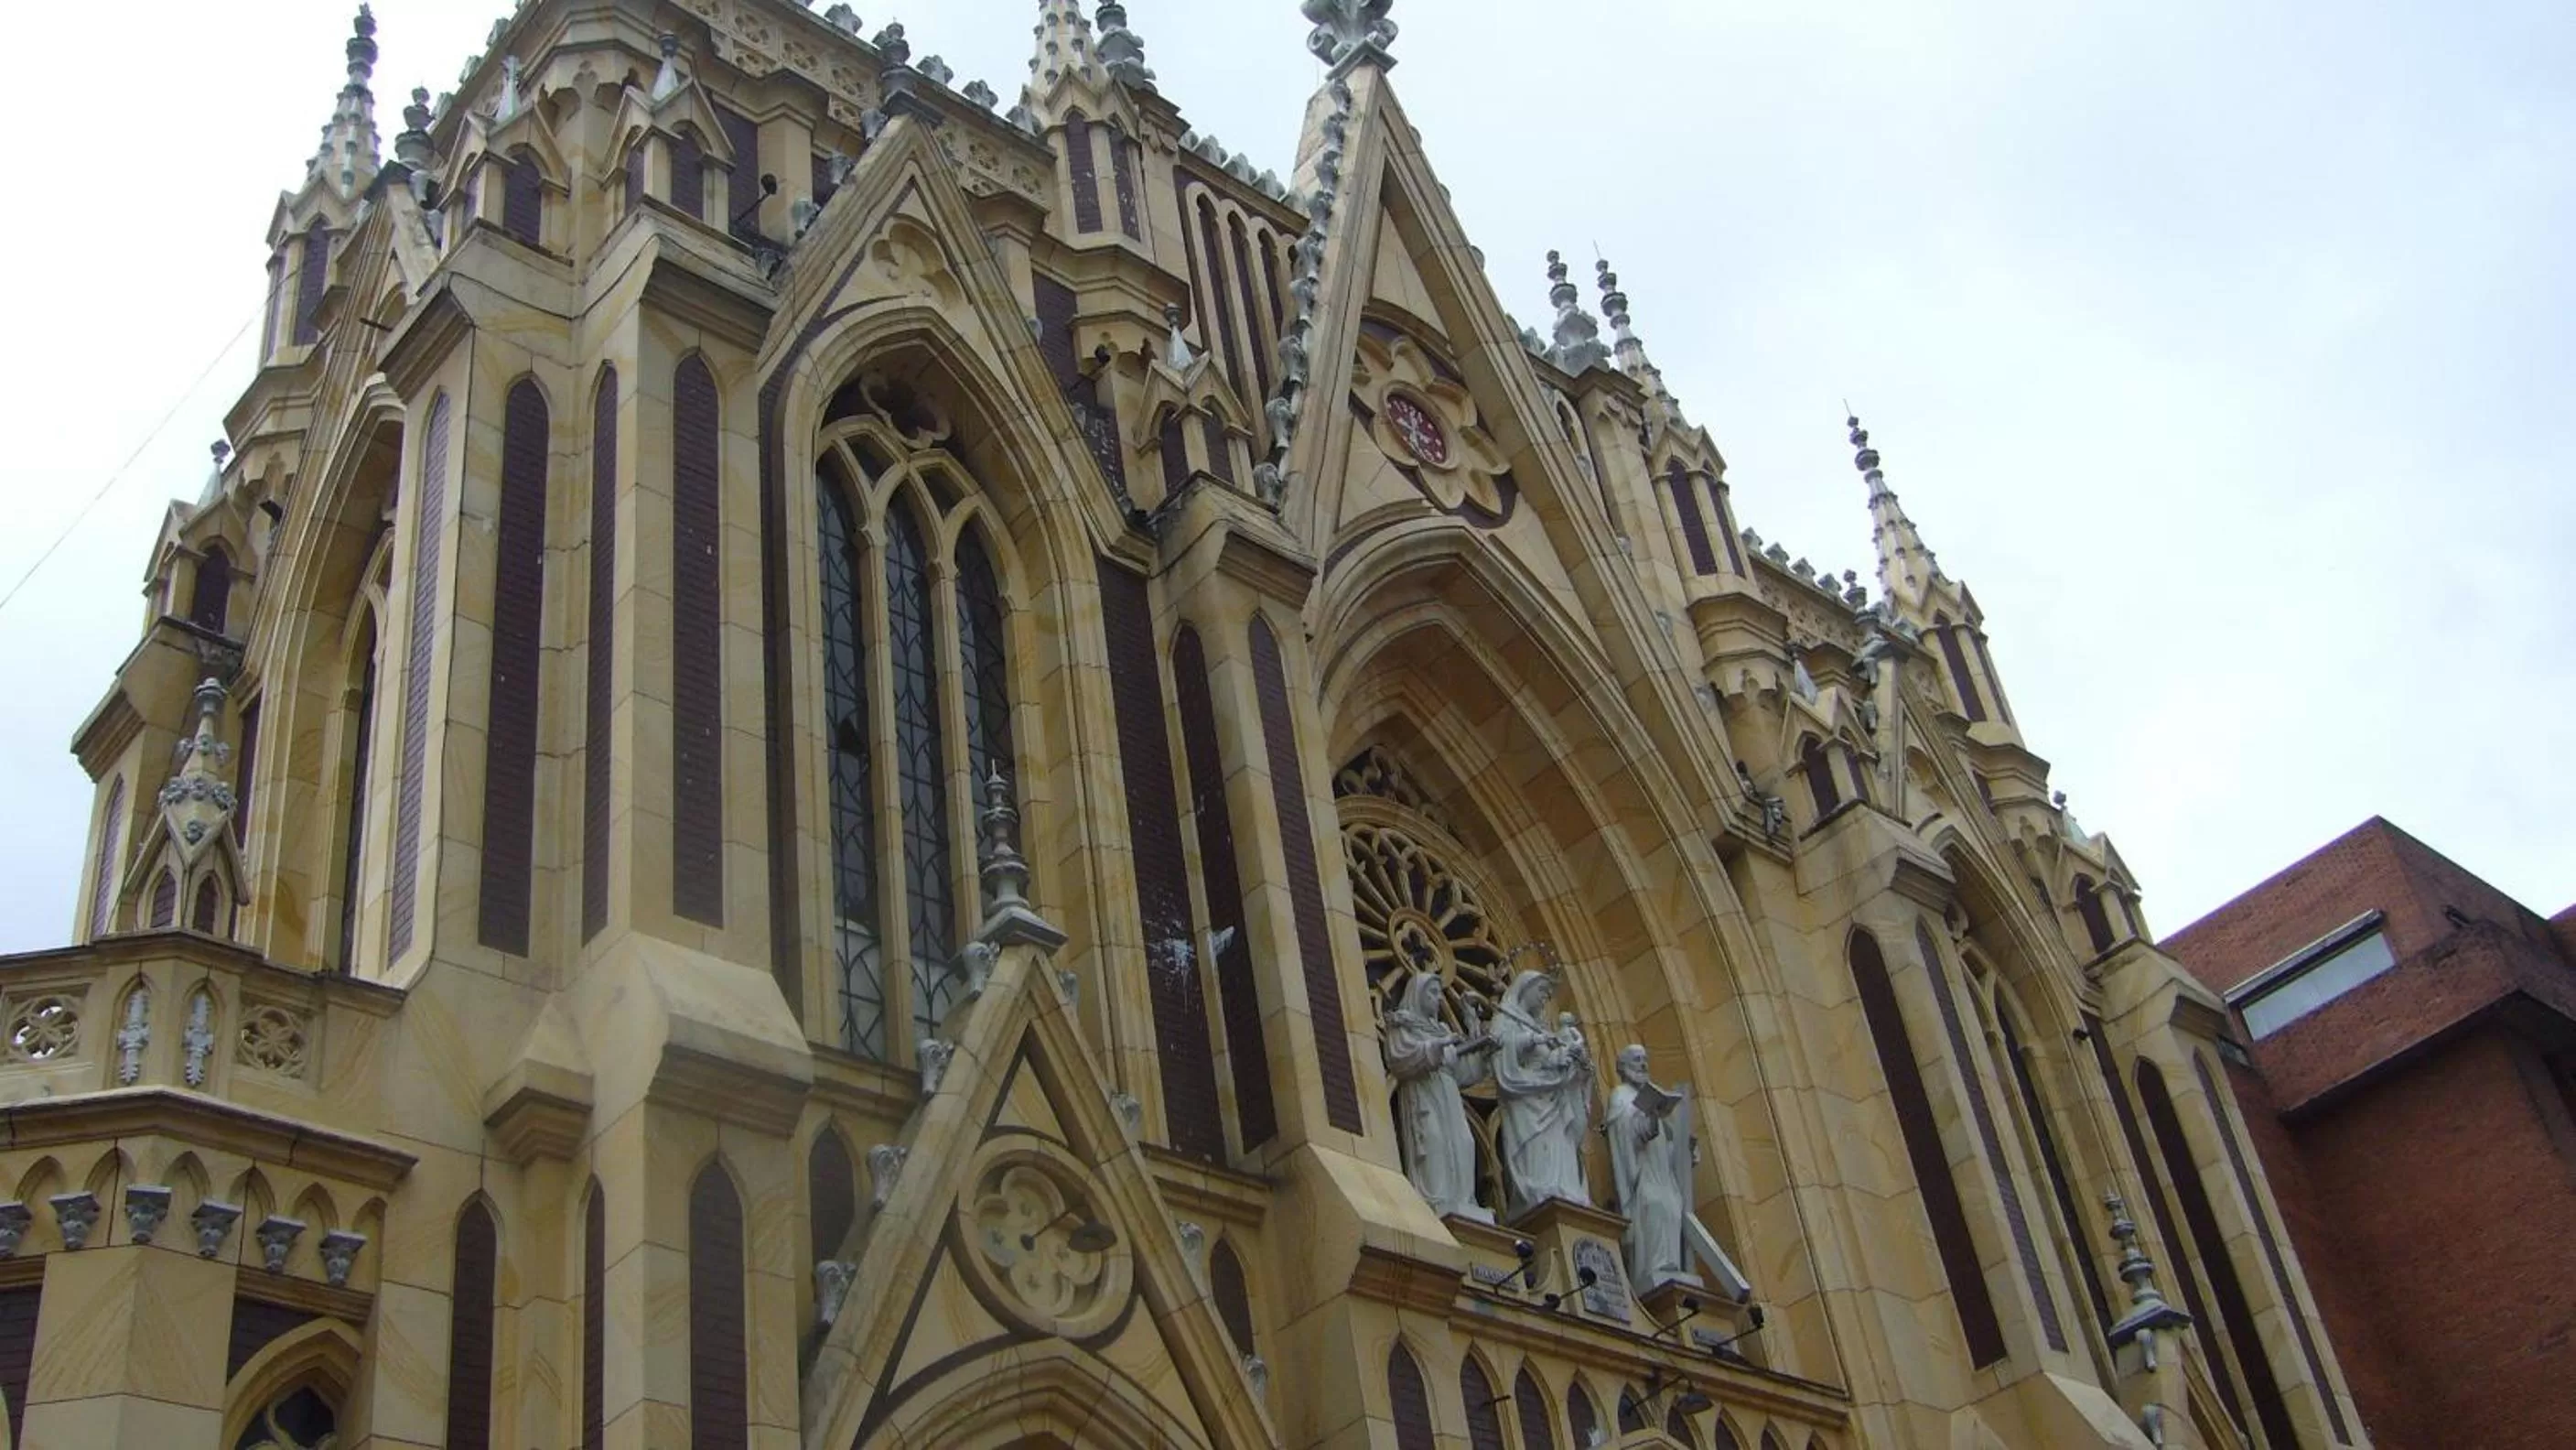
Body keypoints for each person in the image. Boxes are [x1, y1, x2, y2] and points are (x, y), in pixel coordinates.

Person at [1381, 971, 1492, 1220]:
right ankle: (1436, 1200)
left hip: (1449, 1095)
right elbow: (1399, 1058)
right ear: (1417, 994)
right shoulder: (1403, 1023)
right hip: (1425, 1096)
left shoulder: (1442, 1029)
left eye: (1439, 993)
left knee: (1465, 1142)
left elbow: (1462, 1073)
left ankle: (1464, 1199)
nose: (1438, 999)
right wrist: (1436, 1048)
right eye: (1432, 992)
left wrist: (1480, 1054)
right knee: (1434, 1141)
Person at [1491, 970, 1591, 1213]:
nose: (1546, 998)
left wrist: (1571, 1059)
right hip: (1527, 1100)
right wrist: (1531, 1040)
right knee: (1537, 1153)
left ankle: (1564, 1189)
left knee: (1560, 1147)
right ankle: (1539, 1192)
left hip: (1552, 1098)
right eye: (1542, 991)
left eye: (1548, 994)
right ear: (1526, 988)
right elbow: (1500, 1051)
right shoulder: (1506, 1018)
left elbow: (1552, 1060)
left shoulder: (1541, 1025)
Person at [1604, 1044, 1690, 1289]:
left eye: (1645, 1060)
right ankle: (1653, 1269)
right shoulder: (1620, 1096)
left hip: (1662, 1173)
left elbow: (1666, 1142)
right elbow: (1624, 1134)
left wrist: (1685, 1151)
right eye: (1636, 1060)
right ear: (1623, 1066)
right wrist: (1648, 1120)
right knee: (1654, 1207)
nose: (1643, 1065)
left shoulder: (1651, 1094)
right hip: (1642, 1173)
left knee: (1673, 1208)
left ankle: (1670, 1265)